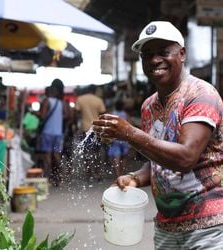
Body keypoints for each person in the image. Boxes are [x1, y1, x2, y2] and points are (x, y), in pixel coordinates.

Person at [93, 21, 223, 249]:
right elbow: (159, 163)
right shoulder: (149, 106)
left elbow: (185, 158)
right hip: (167, 228)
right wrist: (133, 178)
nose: (154, 60)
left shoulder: (200, 94)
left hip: (209, 227)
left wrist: (129, 133)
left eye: (164, 52)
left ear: (182, 54)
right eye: (147, 54)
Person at [37, 79, 67, 186]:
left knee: (47, 157)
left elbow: (42, 116)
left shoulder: (46, 101)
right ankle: (61, 178)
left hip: (47, 133)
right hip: (58, 134)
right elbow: (66, 116)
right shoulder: (61, 103)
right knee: (57, 155)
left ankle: (48, 179)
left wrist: (36, 113)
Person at [75, 84, 106, 182]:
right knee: (97, 152)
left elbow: (76, 113)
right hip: (96, 129)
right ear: (95, 91)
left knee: (86, 152)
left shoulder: (80, 99)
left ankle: (88, 174)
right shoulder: (98, 100)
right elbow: (103, 114)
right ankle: (98, 173)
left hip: (85, 128)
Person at [107, 99, 130, 177]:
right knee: (124, 157)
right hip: (124, 139)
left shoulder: (112, 114)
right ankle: (122, 174)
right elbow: (129, 126)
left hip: (115, 138)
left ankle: (118, 175)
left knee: (116, 158)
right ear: (122, 106)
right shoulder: (125, 114)